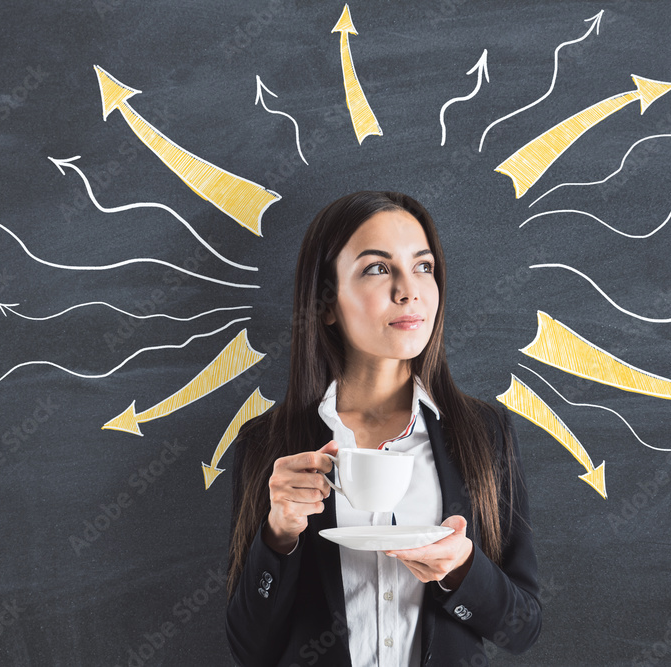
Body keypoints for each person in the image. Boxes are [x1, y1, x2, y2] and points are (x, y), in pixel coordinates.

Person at [225, 191, 541, 666]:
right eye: (377, 268)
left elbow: (523, 629)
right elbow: (250, 649)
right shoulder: (266, 445)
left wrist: (461, 570)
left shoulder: (485, 433)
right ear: (327, 303)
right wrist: (278, 535)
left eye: (423, 267)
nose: (409, 290)